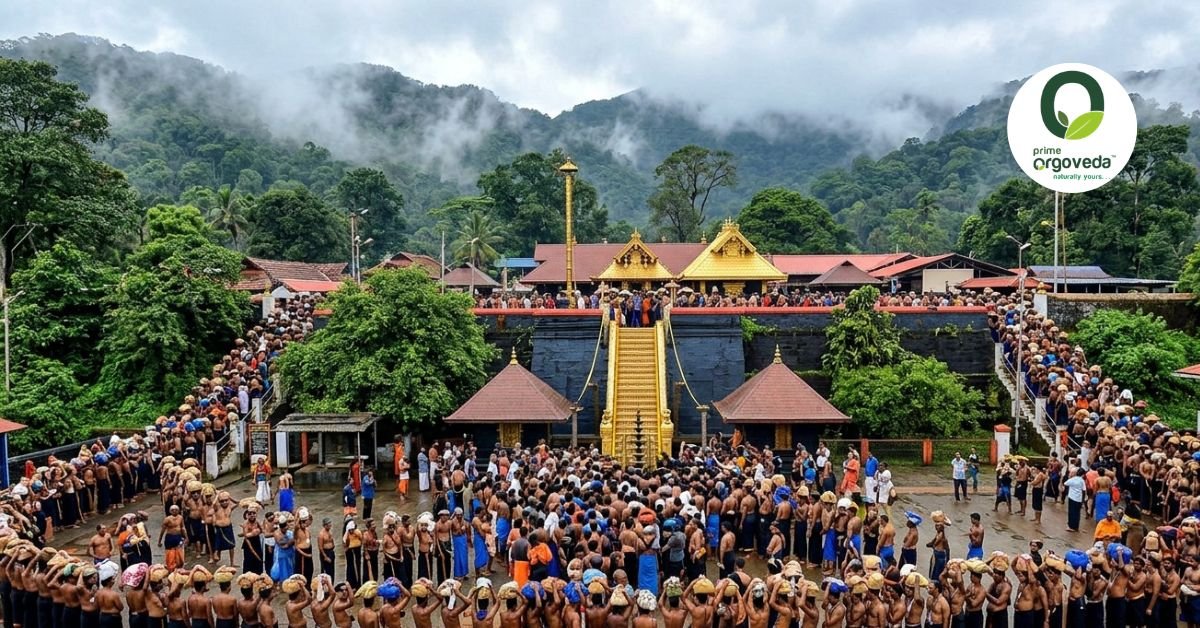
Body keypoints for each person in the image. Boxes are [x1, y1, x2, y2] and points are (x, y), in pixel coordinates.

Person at [1064, 469, 1086, 533]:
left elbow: (1065, 483)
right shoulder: (1082, 481)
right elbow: (1084, 490)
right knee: (1077, 513)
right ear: (1083, 474)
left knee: (1071, 512)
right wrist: (1083, 500)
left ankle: (1071, 526)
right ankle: (1076, 526)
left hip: (1071, 497)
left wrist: (1070, 477)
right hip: (1078, 499)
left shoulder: (1072, 479)